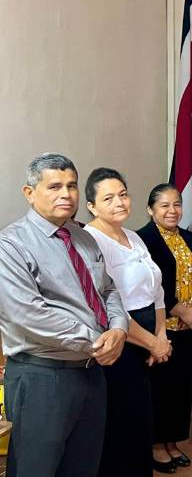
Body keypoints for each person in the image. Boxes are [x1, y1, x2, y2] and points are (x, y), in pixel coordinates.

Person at [0, 154, 128, 477]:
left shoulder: (83, 237)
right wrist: (99, 340)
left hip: (90, 373)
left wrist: (120, 329)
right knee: (35, 469)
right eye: (54, 186)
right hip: (42, 375)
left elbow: (108, 290)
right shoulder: (11, 245)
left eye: (71, 185)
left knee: (83, 467)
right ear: (29, 193)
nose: (66, 194)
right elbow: (27, 314)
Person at [83, 168, 171, 476]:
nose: (119, 202)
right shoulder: (90, 242)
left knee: (143, 421)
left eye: (123, 194)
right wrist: (152, 342)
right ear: (92, 206)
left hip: (151, 334)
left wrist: (161, 333)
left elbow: (156, 289)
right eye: (108, 198)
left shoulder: (133, 236)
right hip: (122, 341)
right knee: (121, 424)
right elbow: (106, 307)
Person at [137, 183, 192, 472]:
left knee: (181, 389)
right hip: (160, 329)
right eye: (165, 205)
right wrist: (180, 309)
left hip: (190, 327)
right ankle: (157, 444)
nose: (172, 210)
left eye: (177, 204)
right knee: (161, 389)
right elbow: (149, 284)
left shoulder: (188, 237)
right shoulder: (143, 240)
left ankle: (173, 441)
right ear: (151, 210)